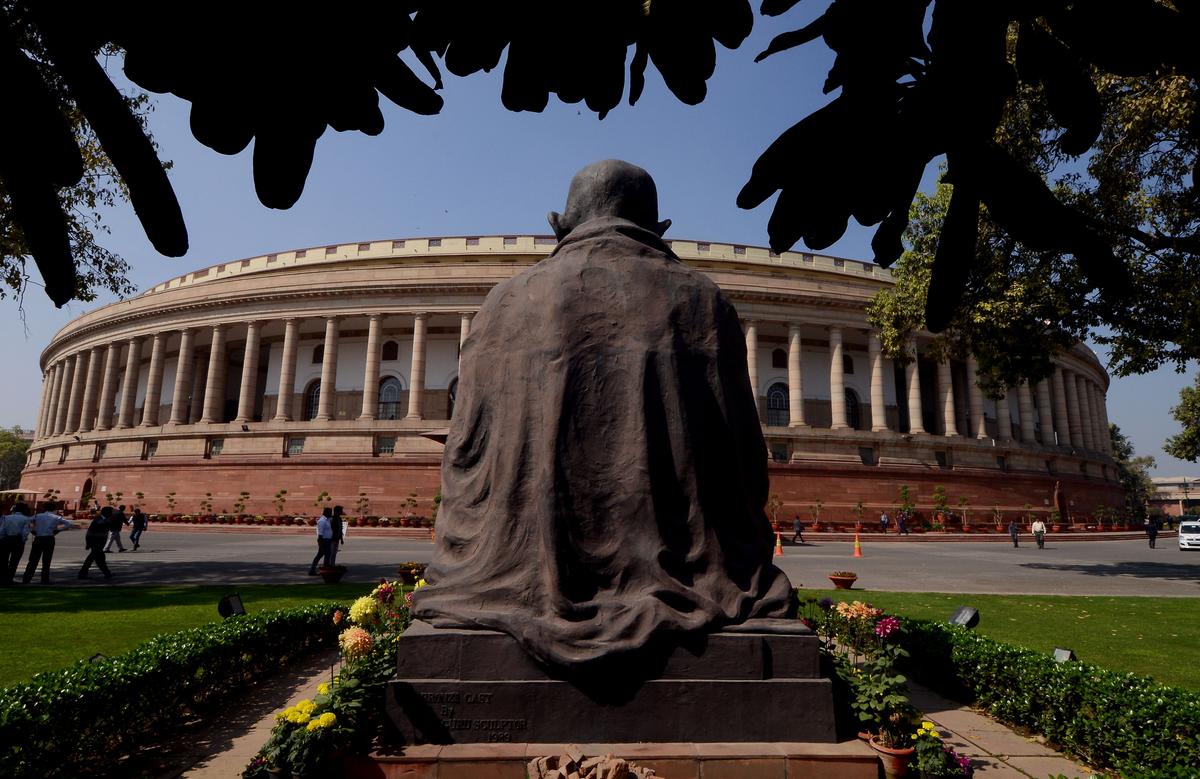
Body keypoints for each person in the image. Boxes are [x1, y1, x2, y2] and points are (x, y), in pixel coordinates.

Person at [413, 160, 793, 668]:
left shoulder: (503, 303)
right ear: (660, 229)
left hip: (507, 575)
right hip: (693, 575)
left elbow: (464, 453)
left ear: (558, 224)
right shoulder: (706, 301)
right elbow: (743, 456)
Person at [22, 502, 73, 584]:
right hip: (49, 538)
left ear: (44, 508)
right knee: (46, 561)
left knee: (33, 560)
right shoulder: (56, 517)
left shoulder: (38, 516)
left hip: (38, 538)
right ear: (54, 509)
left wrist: (32, 530)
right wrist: (58, 530)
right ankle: (44, 579)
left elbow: (27, 521)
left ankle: (27, 578)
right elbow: (68, 523)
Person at [1, 503, 33, 585]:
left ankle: (3, 578)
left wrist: (2, 538)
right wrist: (23, 540)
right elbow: (25, 532)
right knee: (14, 561)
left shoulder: (6, 517)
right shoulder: (26, 519)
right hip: (17, 540)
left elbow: (2, 530)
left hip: (6, 539)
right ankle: (10, 578)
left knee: (4, 560)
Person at [79, 506, 114, 579]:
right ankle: (106, 573)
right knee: (97, 558)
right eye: (110, 512)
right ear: (106, 512)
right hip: (95, 543)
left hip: (100, 543)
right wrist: (88, 543)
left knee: (97, 558)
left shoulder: (106, 520)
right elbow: (89, 533)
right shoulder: (98, 521)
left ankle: (106, 573)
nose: (112, 513)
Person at [309, 508, 334, 574]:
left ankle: (314, 570)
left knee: (324, 555)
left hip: (328, 540)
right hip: (324, 540)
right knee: (324, 555)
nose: (331, 514)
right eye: (330, 512)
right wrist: (320, 544)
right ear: (326, 513)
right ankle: (321, 570)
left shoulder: (327, 520)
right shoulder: (322, 521)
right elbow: (320, 534)